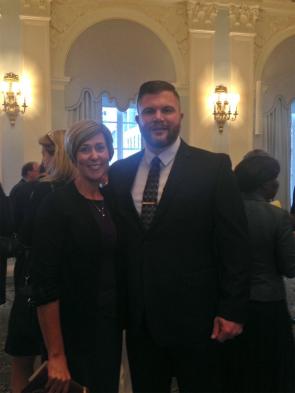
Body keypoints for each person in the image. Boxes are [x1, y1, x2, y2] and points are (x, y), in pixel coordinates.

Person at [108, 80, 250, 393]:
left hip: (199, 319)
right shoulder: (119, 173)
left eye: (166, 109)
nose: (158, 116)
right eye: (149, 111)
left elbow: (235, 245)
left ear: (180, 115)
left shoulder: (213, 167)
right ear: (138, 120)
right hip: (141, 320)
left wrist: (232, 309)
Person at [32, 120, 122, 393]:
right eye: (85, 149)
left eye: (100, 148)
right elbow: (45, 285)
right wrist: (56, 355)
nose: (94, 156)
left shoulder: (112, 201)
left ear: (110, 152)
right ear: (73, 156)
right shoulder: (57, 205)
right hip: (72, 329)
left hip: (109, 326)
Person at [5, 129, 74, 393]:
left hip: (33, 285)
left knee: (23, 360)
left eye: (45, 152)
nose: (43, 160)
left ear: (57, 154)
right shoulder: (84, 190)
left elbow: (25, 235)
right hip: (67, 286)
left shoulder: (42, 191)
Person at [233, 154, 295, 393]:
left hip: (232, 304)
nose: (277, 184)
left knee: (240, 370)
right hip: (269, 304)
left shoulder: (227, 212)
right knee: (272, 372)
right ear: (262, 182)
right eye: (274, 179)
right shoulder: (278, 217)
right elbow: (290, 268)